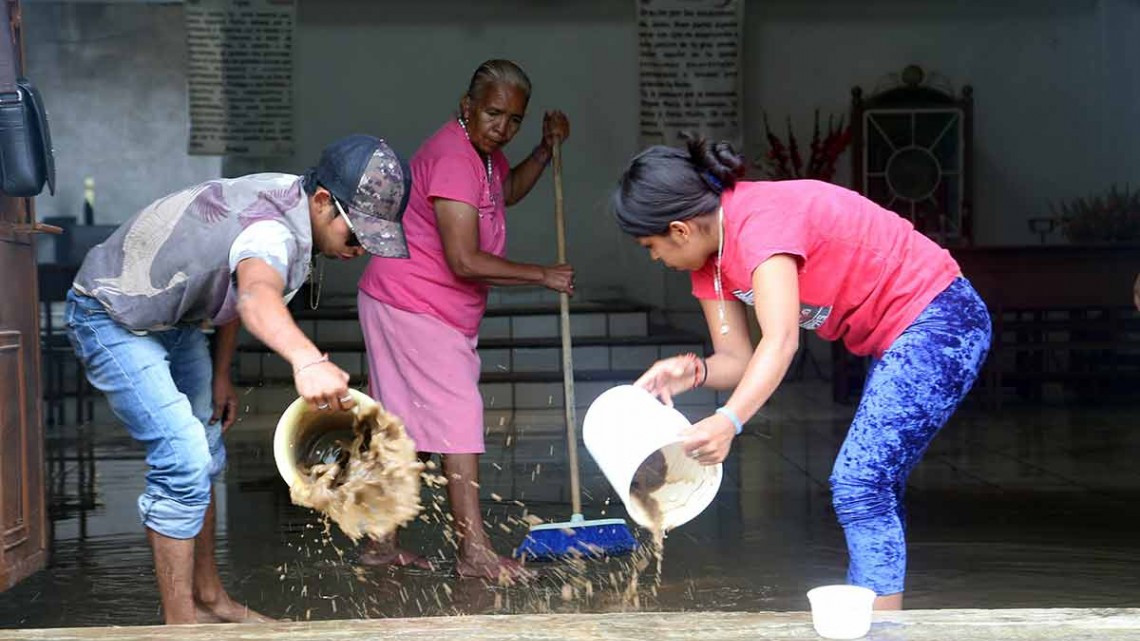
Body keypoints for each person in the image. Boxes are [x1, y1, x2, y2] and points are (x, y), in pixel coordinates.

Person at [611, 136, 991, 610]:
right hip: (895, 340)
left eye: (651, 246)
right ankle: (874, 613)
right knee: (874, 484)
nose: (655, 258)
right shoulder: (708, 267)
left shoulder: (761, 222)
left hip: (941, 320)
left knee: (860, 482)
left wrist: (729, 421)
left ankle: (880, 628)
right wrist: (691, 372)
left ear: (680, 230)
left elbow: (782, 339)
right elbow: (739, 359)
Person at [64, 134, 412, 624]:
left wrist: (222, 372)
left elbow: (231, 288)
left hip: (178, 319)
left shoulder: (292, 199)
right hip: (112, 315)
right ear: (321, 202)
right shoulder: (273, 233)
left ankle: (210, 599)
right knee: (183, 459)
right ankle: (181, 624)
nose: (360, 251)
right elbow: (254, 295)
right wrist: (307, 360)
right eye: (357, 236)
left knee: (206, 450)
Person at [356, 59, 572, 581]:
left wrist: (544, 151)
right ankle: (473, 553)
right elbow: (464, 260)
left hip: (416, 303)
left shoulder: (484, 155)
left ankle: (380, 545)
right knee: (457, 418)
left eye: (515, 120)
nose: (503, 128)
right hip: (413, 303)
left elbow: (506, 193)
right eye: (494, 113)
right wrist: (543, 274)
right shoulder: (454, 156)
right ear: (466, 107)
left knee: (404, 428)